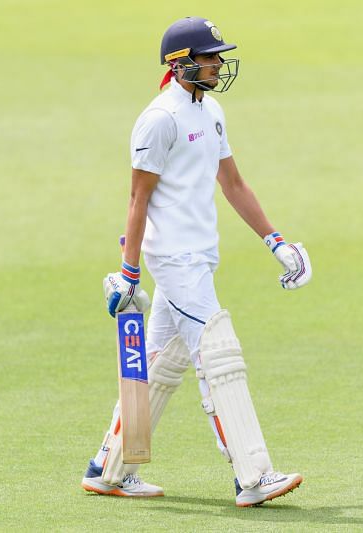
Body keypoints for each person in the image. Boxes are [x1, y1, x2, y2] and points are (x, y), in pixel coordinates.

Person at [81, 16, 312, 507]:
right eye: (210, 57)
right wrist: (128, 270)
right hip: (174, 259)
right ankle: (253, 475)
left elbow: (233, 184)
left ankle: (109, 468)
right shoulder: (159, 118)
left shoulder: (212, 112)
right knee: (219, 355)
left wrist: (275, 241)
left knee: (160, 367)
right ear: (180, 63)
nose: (219, 63)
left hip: (200, 256)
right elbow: (136, 200)